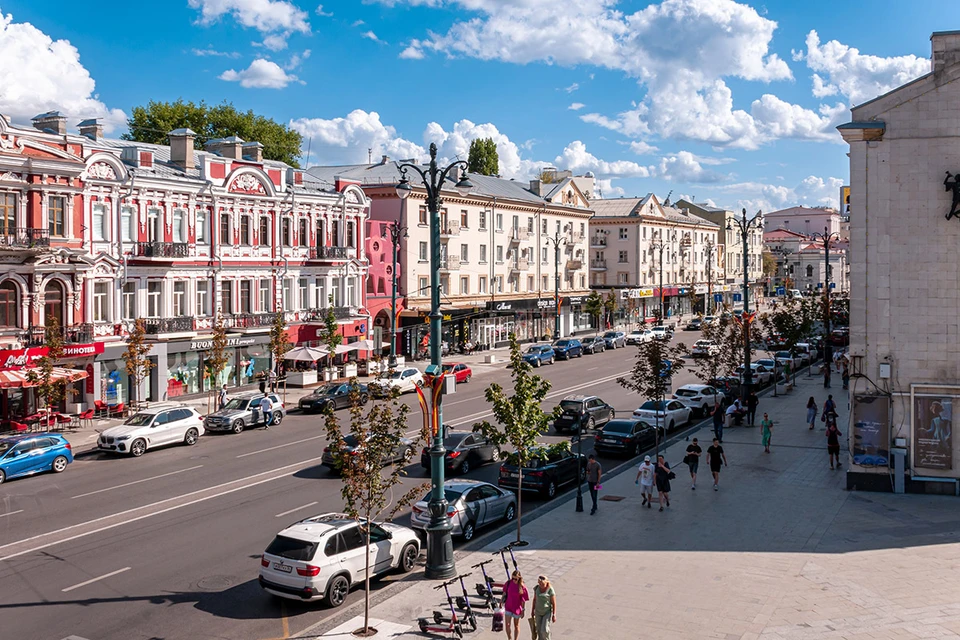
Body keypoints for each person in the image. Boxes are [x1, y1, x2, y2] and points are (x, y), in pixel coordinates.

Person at [502, 570, 528, 640]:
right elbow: (504, 593)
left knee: (516, 625)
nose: (514, 580)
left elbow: (523, 600)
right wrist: (501, 602)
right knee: (507, 625)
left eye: (515, 579)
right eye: (513, 578)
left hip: (517, 608)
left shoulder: (522, 587)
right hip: (508, 606)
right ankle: (509, 638)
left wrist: (523, 610)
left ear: (519, 578)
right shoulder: (508, 583)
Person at [531, 575, 556, 640]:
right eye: (539, 584)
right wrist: (532, 611)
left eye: (542, 584)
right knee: (539, 630)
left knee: (544, 630)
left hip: (546, 612)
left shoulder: (550, 590)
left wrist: (554, 614)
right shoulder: (537, 588)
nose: (541, 585)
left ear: (546, 582)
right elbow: (534, 600)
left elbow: (553, 603)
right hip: (538, 612)